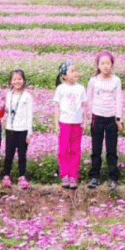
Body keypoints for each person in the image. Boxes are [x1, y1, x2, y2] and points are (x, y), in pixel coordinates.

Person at [86, 52, 124, 190]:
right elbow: (88, 100)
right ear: (98, 65)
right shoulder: (93, 81)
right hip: (97, 118)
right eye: (102, 63)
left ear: (112, 64)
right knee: (96, 149)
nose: (105, 66)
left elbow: (119, 100)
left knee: (111, 150)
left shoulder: (116, 81)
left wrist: (119, 119)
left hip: (111, 119)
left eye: (108, 63)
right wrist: (87, 119)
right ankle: (94, 177)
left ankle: (113, 178)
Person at [53, 61, 86, 189]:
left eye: (76, 70)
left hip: (77, 123)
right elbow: (57, 107)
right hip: (64, 122)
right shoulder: (61, 88)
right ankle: (65, 175)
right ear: (64, 76)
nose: (75, 73)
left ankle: (73, 175)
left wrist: (85, 121)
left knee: (75, 150)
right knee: (63, 150)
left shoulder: (81, 88)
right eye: (72, 71)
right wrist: (56, 124)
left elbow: (83, 107)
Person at [2, 69, 33, 189]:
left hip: (23, 130)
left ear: (24, 81)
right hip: (10, 128)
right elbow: (7, 111)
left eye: (19, 79)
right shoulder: (8, 95)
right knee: (8, 154)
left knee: (22, 155)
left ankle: (22, 177)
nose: (17, 81)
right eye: (14, 79)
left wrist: (29, 132)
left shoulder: (27, 96)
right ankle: (6, 176)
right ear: (10, 81)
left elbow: (29, 115)